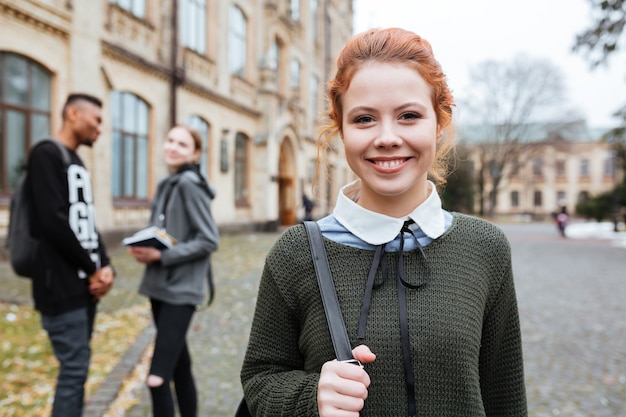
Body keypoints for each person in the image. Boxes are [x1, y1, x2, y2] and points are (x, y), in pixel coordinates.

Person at [240, 28, 527, 416]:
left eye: (409, 116)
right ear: (340, 129)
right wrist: (312, 398)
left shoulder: (484, 247)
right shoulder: (297, 254)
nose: (387, 137)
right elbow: (260, 379)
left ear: (438, 124)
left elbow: (504, 395)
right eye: (364, 119)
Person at [26, 93, 115, 417]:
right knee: (74, 371)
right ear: (73, 113)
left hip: (85, 289)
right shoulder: (46, 155)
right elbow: (53, 222)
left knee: (78, 370)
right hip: (60, 287)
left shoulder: (75, 162)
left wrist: (106, 267)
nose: (99, 129)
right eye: (97, 119)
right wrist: (91, 267)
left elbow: (86, 222)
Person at [128, 125, 219, 417]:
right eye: (170, 140)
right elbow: (166, 229)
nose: (173, 147)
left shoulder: (188, 184)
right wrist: (147, 246)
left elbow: (208, 239)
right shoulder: (169, 183)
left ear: (195, 153)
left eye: (182, 144)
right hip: (160, 286)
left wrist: (161, 255)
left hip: (181, 290)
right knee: (179, 365)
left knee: (156, 379)